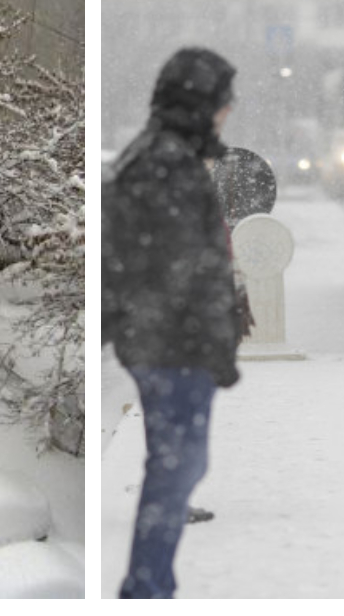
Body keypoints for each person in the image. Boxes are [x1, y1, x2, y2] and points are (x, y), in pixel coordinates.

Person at [104, 47, 245, 599]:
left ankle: (151, 585)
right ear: (197, 102)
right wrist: (211, 345)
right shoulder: (165, 163)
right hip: (170, 347)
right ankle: (146, 590)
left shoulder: (165, 154)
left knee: (181, 466)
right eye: (221, 100)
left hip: (167, 341)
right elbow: (179, 267)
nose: (227, 111)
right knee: (175, 469)